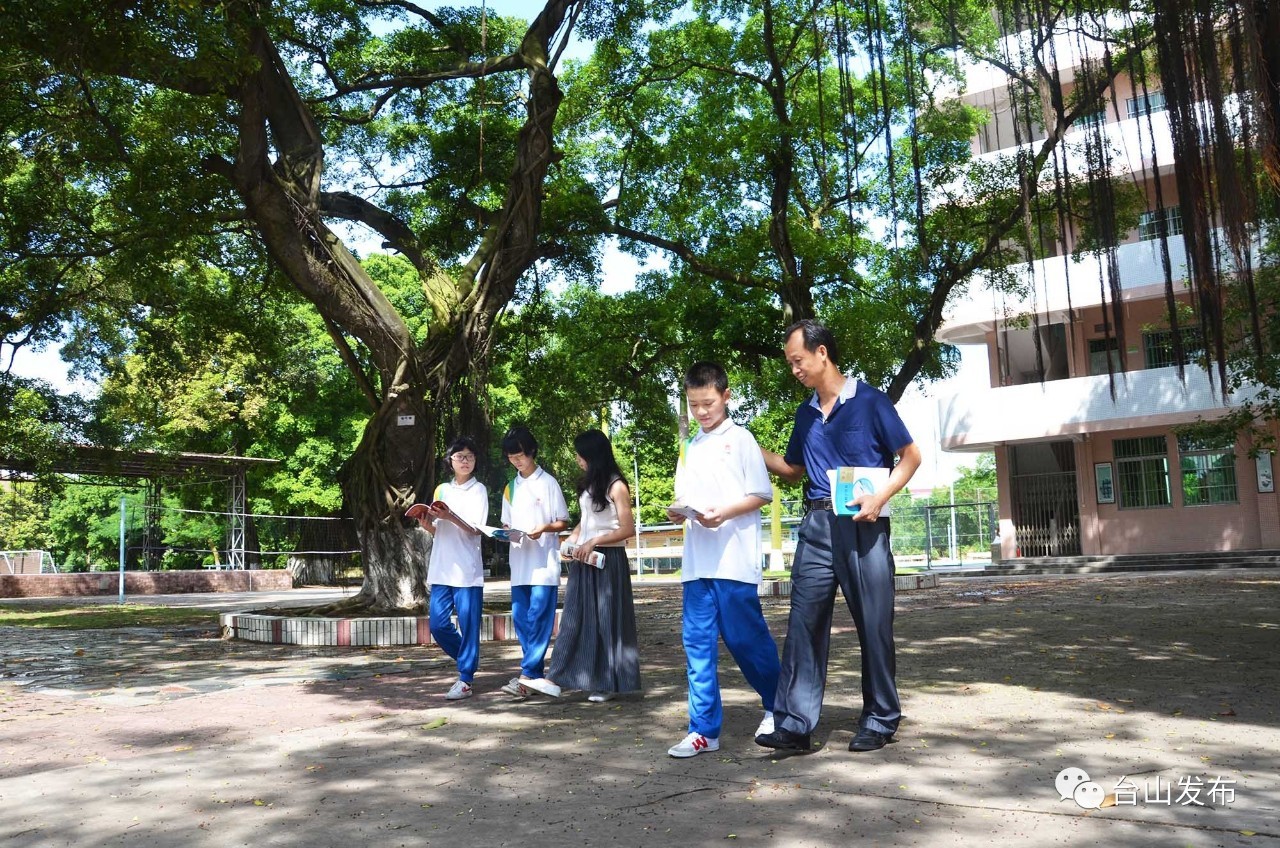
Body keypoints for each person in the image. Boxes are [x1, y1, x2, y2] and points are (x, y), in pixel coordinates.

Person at [755, 320, 921, 753]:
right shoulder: (805, 413)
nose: (794, 370)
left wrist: (881, 495)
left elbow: (910, 455)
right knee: (803, 623)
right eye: (791, 363)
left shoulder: (870, 401)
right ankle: (794, 724)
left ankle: (881, 718)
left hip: (864, 526)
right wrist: (751, 450)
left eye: (798, 360)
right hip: (816, 526)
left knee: (873, 623)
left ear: (822, 353)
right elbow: (794, 469)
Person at [665, 362, 782, 758]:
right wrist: (678, 511)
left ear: (726, 396)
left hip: (733, 559)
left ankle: (778, 705)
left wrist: (724, 514)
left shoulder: (743, 439)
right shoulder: (688, 446)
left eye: (709, 403)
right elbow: (683, 495)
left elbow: (761, 494)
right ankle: (703, 730)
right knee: (696, 645)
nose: (701, 412)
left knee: (745, 639)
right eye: (694, 404)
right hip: (697, 563)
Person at [544, 429, 642, 702]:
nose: (577, 459)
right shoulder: (590, 485)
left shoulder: (617, 486)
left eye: (580, 455)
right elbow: (585, 521)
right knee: (574, 618)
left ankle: (609, 683)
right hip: (584, 559)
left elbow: (627, 528)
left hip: (607, 561)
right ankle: (558, 678)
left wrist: (595, 541)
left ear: (592, 456)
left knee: (607, 620)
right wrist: (572, 541)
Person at [496, 426, 571, 699]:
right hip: (519, 563)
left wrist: (544, 528)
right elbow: (506, 523)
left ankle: (527, 674)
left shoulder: (548, 483)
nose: (517, 461)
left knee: (539, 618)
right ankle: (534, 676)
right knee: (522, 620)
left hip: (543, 564)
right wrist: (505, 532)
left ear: (532, 453)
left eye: (521, 455)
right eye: (512, 456)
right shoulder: (510, 488)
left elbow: (563, 521)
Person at [413, 437, 489, 700]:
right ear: (450, 461)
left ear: (475, 461)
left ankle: (466, 678)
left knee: (469, 625)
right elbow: (441, 531)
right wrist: (430, 526)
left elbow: (476, 530)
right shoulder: (441, 490)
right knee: (438, 624)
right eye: (459, 457)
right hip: (442, 567)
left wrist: (450, 516)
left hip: (467, 569)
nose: (464, 461)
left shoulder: (479, 491)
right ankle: (468, 659)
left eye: (469, 456)